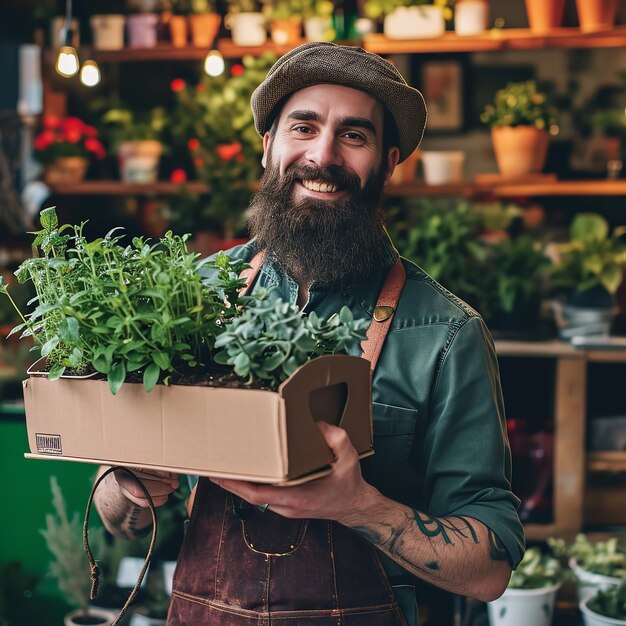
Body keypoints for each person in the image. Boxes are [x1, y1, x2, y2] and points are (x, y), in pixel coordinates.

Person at [94, 42, 525, 626]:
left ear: (388, 161)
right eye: (303, 126)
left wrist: (358, 505)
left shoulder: (447, 334)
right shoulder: (193, 299)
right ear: (269, 145)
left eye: (354, 135)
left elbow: (491, 569)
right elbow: (116, 511)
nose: (323, 155)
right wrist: (131, 488)